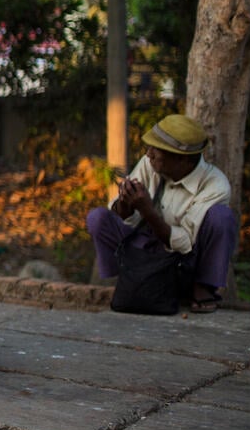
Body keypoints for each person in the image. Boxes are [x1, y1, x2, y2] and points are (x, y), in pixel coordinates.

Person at [86, 114, 236, 313]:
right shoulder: (151, 164)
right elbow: (123, 217)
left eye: (157, 150)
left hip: (184, 259)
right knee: (98, 218)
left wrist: (148, 211)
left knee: (221, 217)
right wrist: (126, 202)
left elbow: (185, 243)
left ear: (183, 160)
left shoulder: (215, 185)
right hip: (147, 248)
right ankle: (126, 281)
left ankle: (203, 288)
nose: (149, 154)